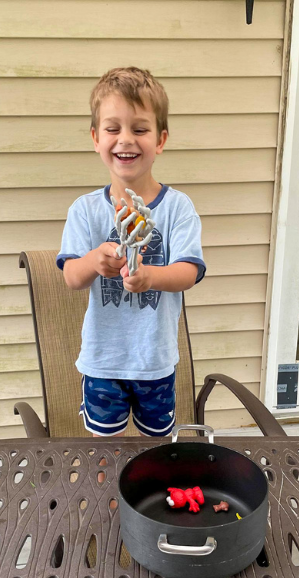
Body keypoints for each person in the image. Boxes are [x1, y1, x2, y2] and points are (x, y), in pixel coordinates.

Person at [56, 67, 206, 437]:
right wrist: (95, 260)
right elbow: (72, 277)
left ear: (160, 139)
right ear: (95, 138)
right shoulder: (85, 210)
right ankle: (110, 497)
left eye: (140, 129)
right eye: (113, 128)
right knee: (106, 450)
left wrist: (150, 276)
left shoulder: (177, 208)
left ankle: (142, 496)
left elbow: (189, 270)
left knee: (154, 448)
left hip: (154, 362)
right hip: (102, 362)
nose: (126, 140)